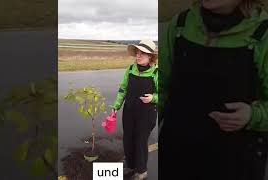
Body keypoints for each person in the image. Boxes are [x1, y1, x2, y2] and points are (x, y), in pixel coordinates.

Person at [160, 0, 268, 179]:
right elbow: (160, 85)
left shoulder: (263, 33)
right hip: (176, 153)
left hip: (234, 161)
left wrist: (252, 115)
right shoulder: (181, 24)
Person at [110, 39, 158, 179]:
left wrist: (153, 98)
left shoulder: (156, 73)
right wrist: (116, 106)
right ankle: (130, 164)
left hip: (146, 114)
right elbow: (123, 89)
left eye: (142, 53)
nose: (138, 56)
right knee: (128, 138)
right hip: (129, 111)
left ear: (150, 56)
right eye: (137, 53)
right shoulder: (130, 69)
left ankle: (142, 170)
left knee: (140, 140)